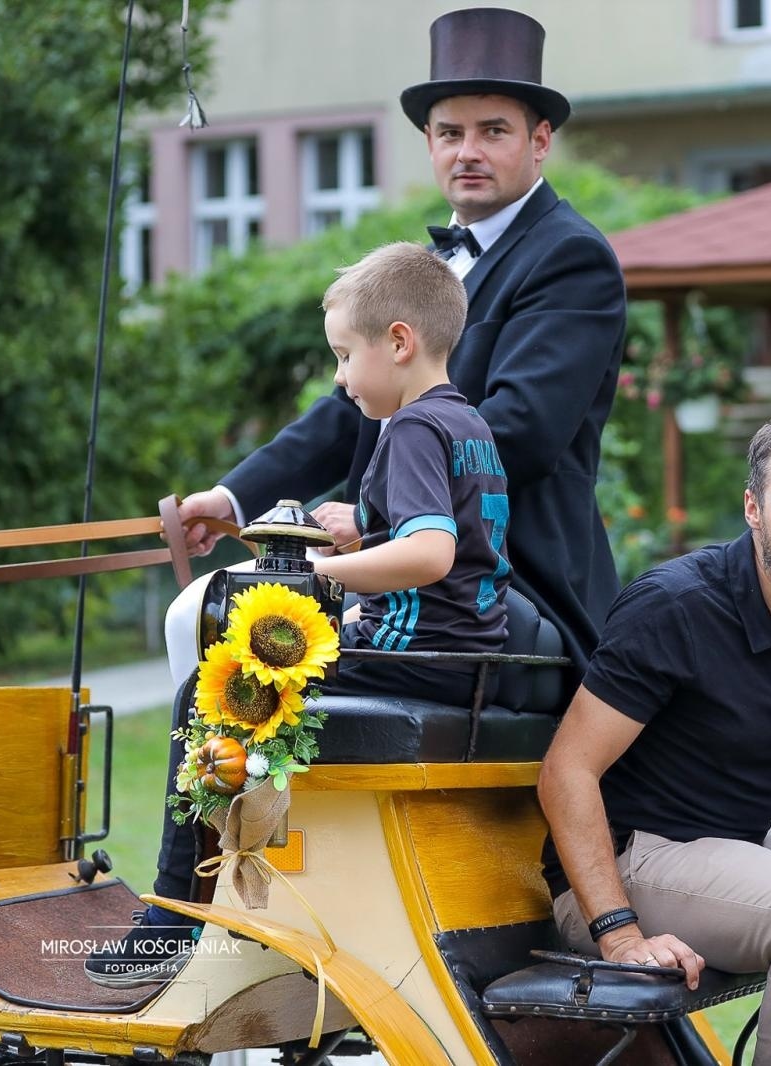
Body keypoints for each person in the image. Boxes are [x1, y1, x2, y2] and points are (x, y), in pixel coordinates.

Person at [164, 7, 623, 696]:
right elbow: (348, 408)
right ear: (429, 143)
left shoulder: (571, 257)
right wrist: (235, 499)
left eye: (493, 131)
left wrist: (378, 517)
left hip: (504, 581)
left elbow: (523, 431)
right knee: (205, 621)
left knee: (215, 626)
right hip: (398, 565)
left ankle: (224, 769)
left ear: (540, 141)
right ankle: (230, 771)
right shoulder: (428, 269)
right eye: (450, 133)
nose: (467, 152)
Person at [87, 242, 509, 987]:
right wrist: (361, 549)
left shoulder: (412, 428)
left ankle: (176, 916)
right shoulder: (467, 423)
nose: (340, 378)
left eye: (344, 356)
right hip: (461, 656)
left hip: (413, 657)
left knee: (211, 688)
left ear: (399, 342)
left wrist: (317, 573)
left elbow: (432, 551)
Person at [536, 403, 771, 1066]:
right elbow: (567, 772)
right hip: (627, 864)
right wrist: (620, 935)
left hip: (730, 843)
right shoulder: (676, 605)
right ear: (754, 508)